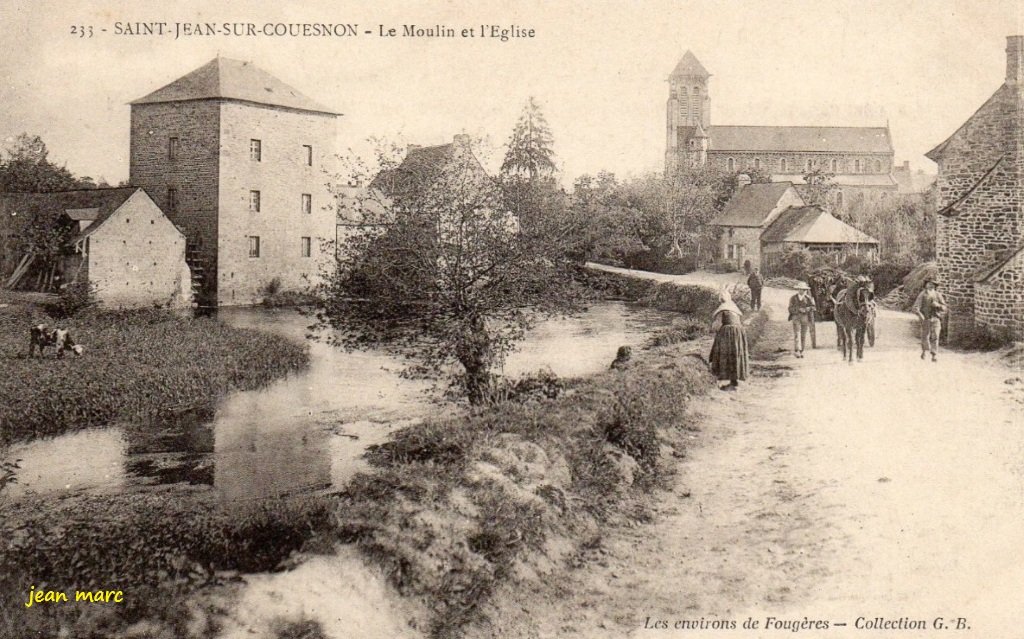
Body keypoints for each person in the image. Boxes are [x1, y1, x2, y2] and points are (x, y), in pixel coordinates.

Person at [709, 289, 749, 391]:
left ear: (721, 300)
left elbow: (717, 325)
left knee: (723, 353)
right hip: (738, 333)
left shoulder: (722, 310)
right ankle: (734, 381)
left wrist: (712, 329)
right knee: (735, 354)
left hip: (728, 333)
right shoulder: (734, 308)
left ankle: (724, 380)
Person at [912, 277, 946, 362]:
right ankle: (925, 351)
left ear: (935, 286)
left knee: (936, 336)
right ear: (926, 285)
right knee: (925, 336)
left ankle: (934, 354)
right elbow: (916, 307)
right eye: (929, 284)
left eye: (933, 284)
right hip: (926, 318)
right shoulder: (922, 294)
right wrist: (920, 315)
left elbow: (945, 307)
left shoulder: (938, 295)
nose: (931, 285)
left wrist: (938, 305)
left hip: (936, 318)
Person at [788, 282, 816, 358]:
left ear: (805, 290)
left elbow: (813, 307)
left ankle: (802, 351)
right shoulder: (793, 298)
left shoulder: (808, 298)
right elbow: (790, 308)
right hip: (796, 317)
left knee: (803, 335)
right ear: (798, 290)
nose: (802, 291)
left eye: (803, 290)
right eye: (800, 289)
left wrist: (807, 309)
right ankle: (797, 350)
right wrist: (798, 310)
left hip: (805, 318)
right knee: (797, 333)